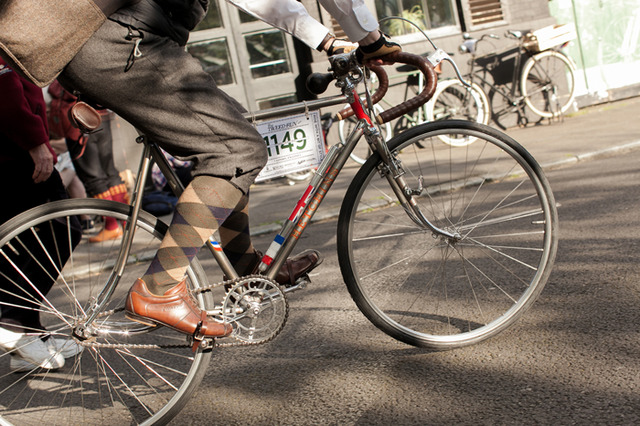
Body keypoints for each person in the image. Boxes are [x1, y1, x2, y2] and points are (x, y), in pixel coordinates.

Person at [57, 0, 401, 341]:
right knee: (238, 150)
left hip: (121, 42)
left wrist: (361, 35)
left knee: (236, 131)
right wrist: (341, 40)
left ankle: (245, 265)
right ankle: (158, 288)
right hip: (124, 44)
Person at [0, 59, 83, 372]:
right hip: (14, 151)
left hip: (13, 147)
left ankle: (27, 336)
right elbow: (4, 87)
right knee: (62, 228)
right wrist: (35, 142)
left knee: (22, 246)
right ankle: (13, 325)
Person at [48, 81, 130, 243]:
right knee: (110, 172)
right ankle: (126, 222)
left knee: (94, 177)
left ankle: (112, 226)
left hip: (80, 120)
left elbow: (55, 89)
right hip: (100, 114)